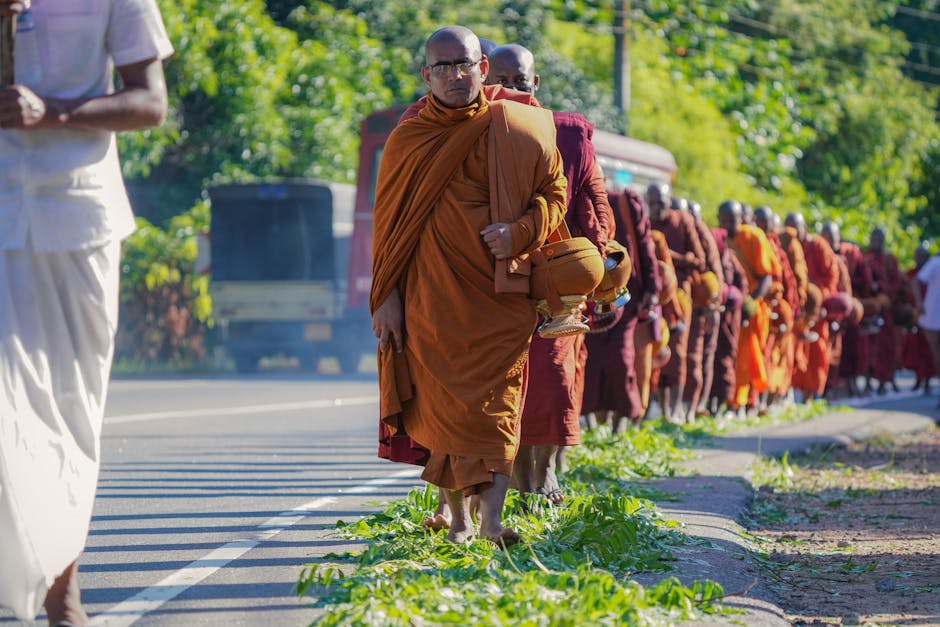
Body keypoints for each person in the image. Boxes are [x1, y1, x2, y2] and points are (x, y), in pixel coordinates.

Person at [0, 1, 172, 624]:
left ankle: (60, 590)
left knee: (70, 410)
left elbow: (150, 102)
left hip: (79, 218)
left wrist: (55, 112)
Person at [370, 26, 566, 545]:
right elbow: (386, 230)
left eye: (465, 65)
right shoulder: (409, 139)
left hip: (500, 298)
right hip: (429, 299)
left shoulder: (520, 126)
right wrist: (385, 299)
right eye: (444, 67)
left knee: (499, 405)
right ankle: (457, 520)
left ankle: (492, 522)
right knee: (443, 411)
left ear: (484, 69)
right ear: (426, 75)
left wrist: (521, 231)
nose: (456, 76)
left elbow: (555, 192)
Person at [485, 42, 612, 504]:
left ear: (534, 84)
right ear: (483, 79)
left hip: (550, 286)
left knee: (551, 382)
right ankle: (502, 486)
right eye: (500, 81)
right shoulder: (470, 128)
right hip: (487, 281)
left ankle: (541, 477)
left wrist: (584, 271)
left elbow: (594, 212)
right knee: (498, 387)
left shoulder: (568, 136)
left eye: (519, 81)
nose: (510, 90)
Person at [646, 184, 705, 422]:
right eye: (653, 203)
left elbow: (699, 260)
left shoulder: (682, 222)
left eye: (662, 203)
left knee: (678, 352)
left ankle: (675, 409)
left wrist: (670, 256)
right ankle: (655, 406)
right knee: (653, 349)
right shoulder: (644, 222)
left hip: (679, 295)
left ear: (669, 201)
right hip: (651, 297)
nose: (657, 208)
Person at [718, 201, 780, 413]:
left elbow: (766, 277)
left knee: (747, 358)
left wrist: (750, 301)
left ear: (741, 219)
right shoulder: (720, 238)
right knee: (729, 355)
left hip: (752, 307)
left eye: (731, 220)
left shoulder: (754, 237)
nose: (727, 225)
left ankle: (742, 402)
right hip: (728, 305)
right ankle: (730, 400)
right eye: (723, 220)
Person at [785, 212, 839, 401]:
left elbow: (831, 277)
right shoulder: (787, 245)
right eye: (787, 226)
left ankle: (813, 392)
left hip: (816, 308)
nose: (791, 231)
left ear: (804, 228)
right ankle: (797, 392)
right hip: (797, 307)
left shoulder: (817, 246)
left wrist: (816, 294)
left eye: (795, 227)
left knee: (816, 350)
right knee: (794, 349)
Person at [754, 206, 800, 408]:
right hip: (758, 306)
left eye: (767, 222)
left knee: (774, 356)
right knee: (760, 355)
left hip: (777, 309)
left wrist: (794, 309)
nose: (763, 225)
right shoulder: (750, 240)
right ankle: (758, 400)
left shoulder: (777, 246)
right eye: (760, 221)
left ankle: (770, 398)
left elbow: (789, 278)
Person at [683, 200, 723, 421]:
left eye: (692, 215)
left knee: (699, 358)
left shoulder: (704, 237)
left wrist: (712, 306)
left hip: (703, 307)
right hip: (683, 304)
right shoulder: (679, 231)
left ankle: (696, 405)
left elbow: (714, 274)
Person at [863, 227, 903, 394]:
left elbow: (896, 283)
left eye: (879, 239)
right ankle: (867, 382)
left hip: (886, 309)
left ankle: (885, 382)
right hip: (870, 309)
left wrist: (883, 290)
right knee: (868, 347)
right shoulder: (866, 258)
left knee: (887, 348)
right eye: (873, 239)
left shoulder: (889, 259)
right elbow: (861, 280)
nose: (876, 242)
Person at [902, 245, 937, 394]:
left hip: (930, 319)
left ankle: (928, 381)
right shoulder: (910, 274)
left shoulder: (932, 268)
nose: (919, 258)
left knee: (930, 352)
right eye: (917, 255)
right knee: (918, 350)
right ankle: (919, 379)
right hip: (920, 317)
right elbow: (910, 287)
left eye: (922, 256)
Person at [912, 246, 940, 408]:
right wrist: (920, 302)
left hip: (932, 317)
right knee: (937, 357)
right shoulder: (936, 262)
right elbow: (916, 281)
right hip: (933, 317)